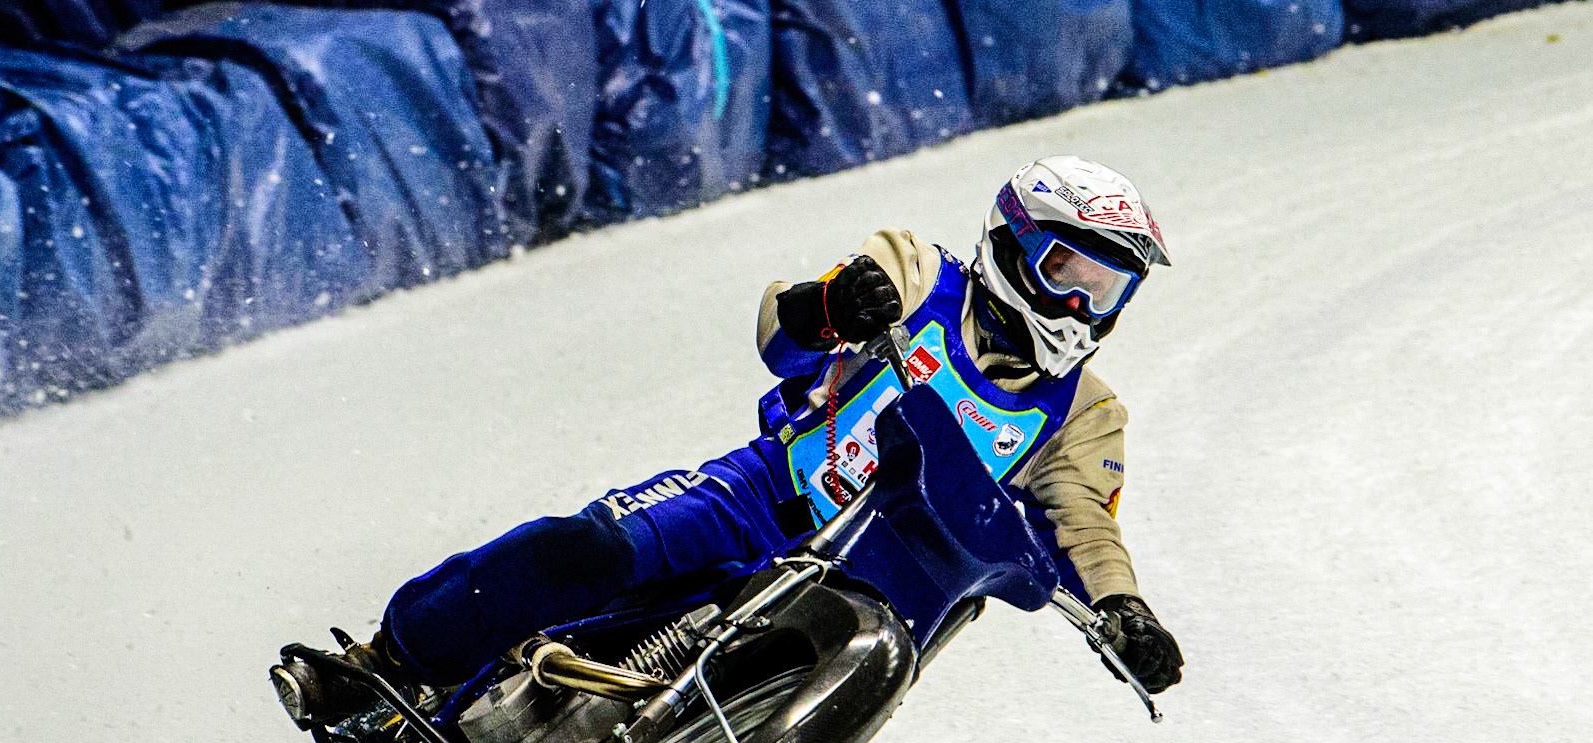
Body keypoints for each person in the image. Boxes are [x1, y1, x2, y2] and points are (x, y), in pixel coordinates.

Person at [342, 155, 1183, 714]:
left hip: (880, 588)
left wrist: (1125, 611)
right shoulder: (915, 271)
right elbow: (781, 332)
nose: (1081, 308)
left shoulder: (1086, 411)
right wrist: (830, 307)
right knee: (584, 553)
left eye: (1108, 292)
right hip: (760, 496)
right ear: (1012, 247)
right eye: (1068, 275)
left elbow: (1085, 524)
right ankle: (388, 662)